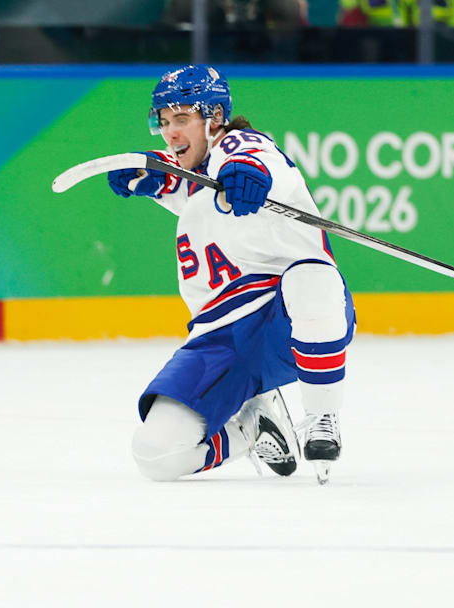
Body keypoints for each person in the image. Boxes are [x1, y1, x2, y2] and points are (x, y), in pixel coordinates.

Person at [107, 65, 356, 484]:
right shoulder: (196, 177)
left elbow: (256, 157)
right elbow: (177, 181)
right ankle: (249, 430)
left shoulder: (240, 148)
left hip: (283, 317)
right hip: (219, 338)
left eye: (182, 119)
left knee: (312, 277)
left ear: (215, 118)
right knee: (155, 456)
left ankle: (321, 418)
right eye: (164, 121)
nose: (170, 131)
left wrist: (249, 172)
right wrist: (146, 173)